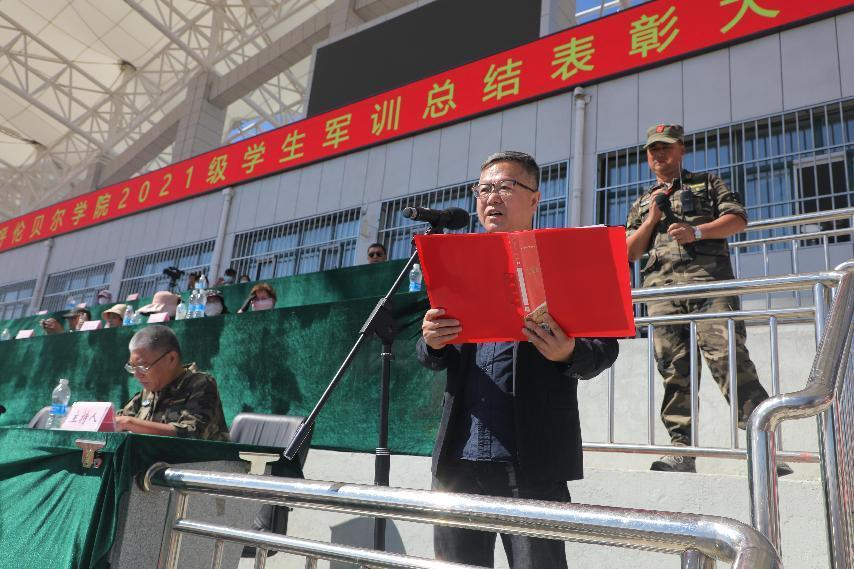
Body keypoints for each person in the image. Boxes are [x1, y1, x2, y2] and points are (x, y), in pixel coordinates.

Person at [418, 151, 619, 569]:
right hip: (459, 458)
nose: (492, 197)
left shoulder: (565, 261)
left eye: (506, 187)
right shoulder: (455, 265)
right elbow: (430, 355)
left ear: (534, 198)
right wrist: (431, 342)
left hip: (532, 462)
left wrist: (569, 352)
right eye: (484, 189)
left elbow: (604, 346)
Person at [625, 124, 791, 476]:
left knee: (729, 360)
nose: (659, 154)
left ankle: (765, 448)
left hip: (709, 286)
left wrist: (697, 231)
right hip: (662, 293)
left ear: (681, 149)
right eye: (653, 149)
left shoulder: (707, 183)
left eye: (666, 147)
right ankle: (681, 451)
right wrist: (652, 219)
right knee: (674, 372)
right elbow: (630, 251)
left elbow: (737, 219)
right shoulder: (642, 202)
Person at [116, 324, 229, 440]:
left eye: (143, 367)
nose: (136, 374)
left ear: (171, 359)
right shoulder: (148, 392)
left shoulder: (200, 384)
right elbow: (119, 420)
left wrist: (129, 423)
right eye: (132, 367)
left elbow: (192, 434)